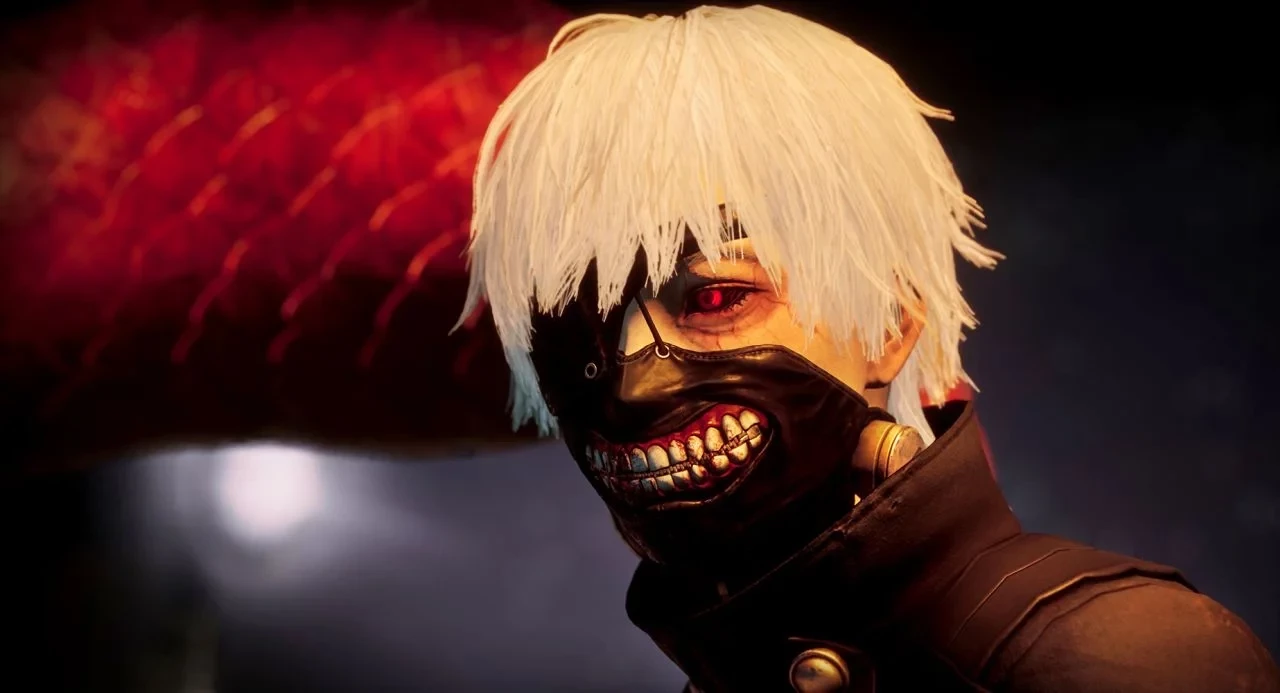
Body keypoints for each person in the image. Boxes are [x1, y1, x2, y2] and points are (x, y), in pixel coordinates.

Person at [455, 6, 1280, 691]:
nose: (630, 387)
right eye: (578, 328)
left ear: (887, 323)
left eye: (714, 297)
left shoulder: (1121, 654)